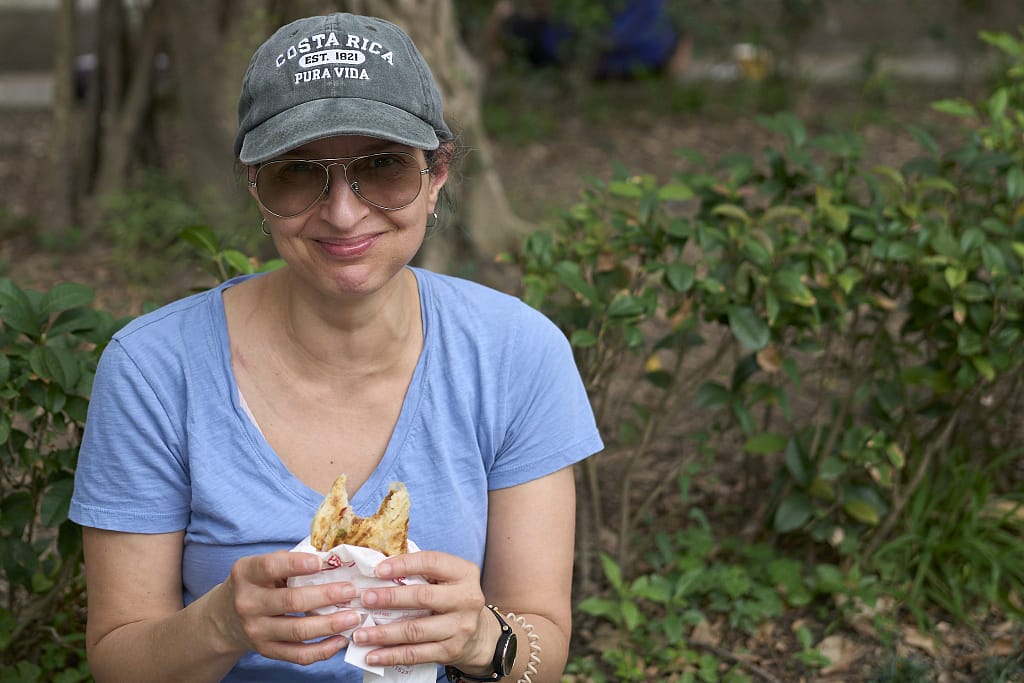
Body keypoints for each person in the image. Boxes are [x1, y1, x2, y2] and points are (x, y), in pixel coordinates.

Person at [69, 11, 603, 683]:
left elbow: (541, 645)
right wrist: (222, 623)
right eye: (298, 172)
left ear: (436, 175)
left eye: (382, 167)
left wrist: (479, 639)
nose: (344, 212)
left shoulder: (517, 354)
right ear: (255, 185)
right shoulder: (154, 369)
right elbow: (119, 659)